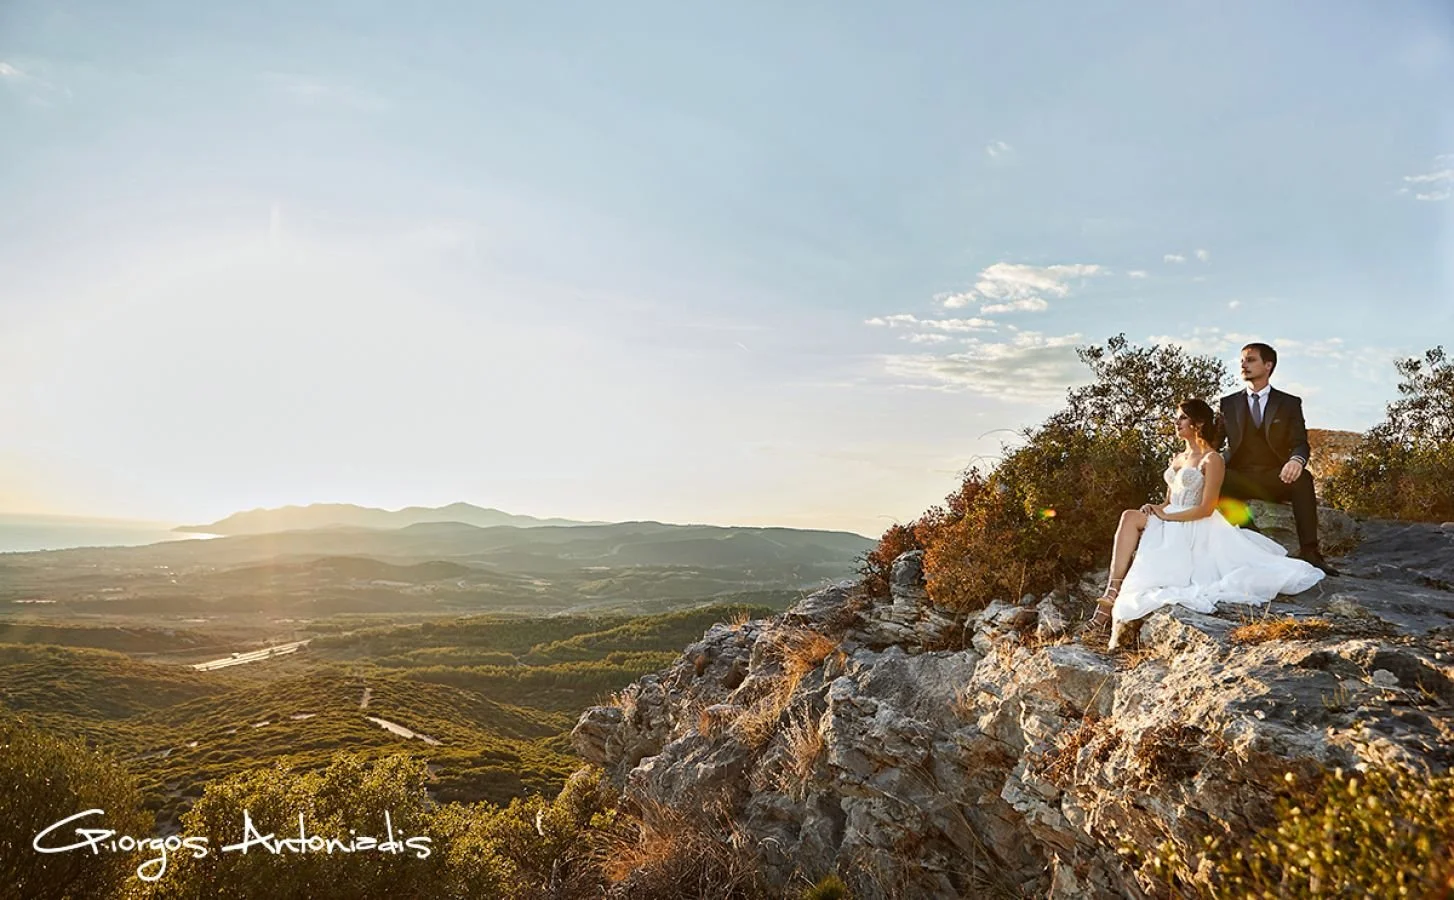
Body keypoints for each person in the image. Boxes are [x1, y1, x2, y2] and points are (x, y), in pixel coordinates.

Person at [1080, 398, 1324, 650]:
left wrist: (1168, 517)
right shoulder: (1177, 458)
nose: (1176, 422)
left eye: (1182, 417)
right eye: (1177, 417)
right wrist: (1156, 510)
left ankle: (1108, 607)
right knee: (1129, 516)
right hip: (1171, 514)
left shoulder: (1213, 460)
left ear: (1198, 424)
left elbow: (1207, 508)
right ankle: (1111, 591)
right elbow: (1167, 501)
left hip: (1195, 521)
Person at [1218, 342, 1338, 575]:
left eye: (1251, 360)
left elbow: (1300, 443)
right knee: (1215, 478)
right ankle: (1256, 543)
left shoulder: (1289, 403)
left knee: (1303, 479)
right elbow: (1214, 443)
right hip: (1239, 477)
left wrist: (1296, 460)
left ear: (1268, 365)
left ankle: (1310, 552)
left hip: (1275, 476)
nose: (1244, 364)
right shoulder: (1228, 403)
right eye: (1242, 360)